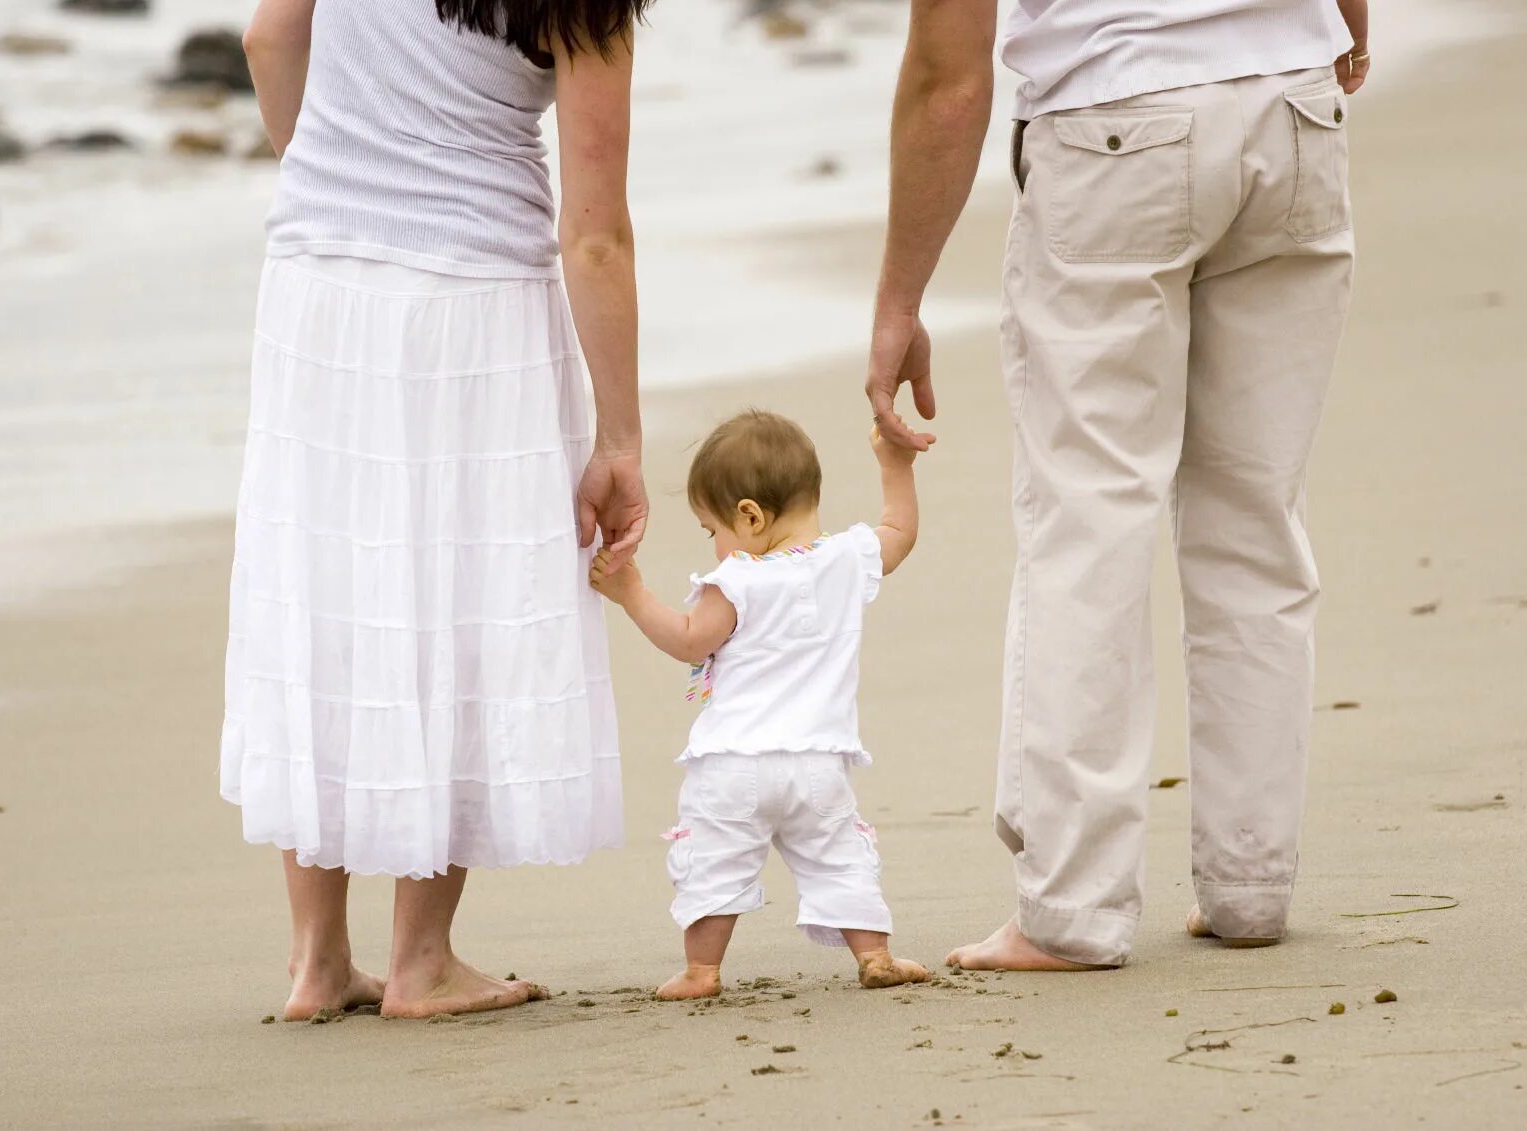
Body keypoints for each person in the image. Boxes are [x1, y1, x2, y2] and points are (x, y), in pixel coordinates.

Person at [867, 0, 1372, 970]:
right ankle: (1250, 885)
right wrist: (1343, 22)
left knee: (1090, 519)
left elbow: (948, 67)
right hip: (1293, 103)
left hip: (1115, 121)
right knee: (1256, 512)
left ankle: (1073, 907)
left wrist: (900, 294)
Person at [223, 0, 651, 1019]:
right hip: (472, 300)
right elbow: (595, 236)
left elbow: (268, 39)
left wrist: (333, 168)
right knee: (454, 601)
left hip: (316, 281)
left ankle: (318, 961)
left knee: (327, 597)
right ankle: (421, 958)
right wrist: (621, 437)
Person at [588, 411, 932, 999]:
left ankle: (702, 972)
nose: (715, 544)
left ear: (749, 516)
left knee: (716, 862)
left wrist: (631, 594)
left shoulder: (739, 579)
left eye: (710, 528)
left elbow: (692, 639)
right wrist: (894, 465)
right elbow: (899, 531)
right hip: (819, 764)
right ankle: (874, 954)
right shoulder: (847, 558)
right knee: (839, 858)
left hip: (733, 763)